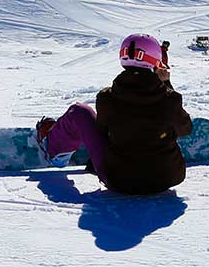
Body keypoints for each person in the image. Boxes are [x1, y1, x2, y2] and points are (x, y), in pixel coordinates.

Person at [35, 33, 193, 195]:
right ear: (156, 60)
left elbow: (103, 131)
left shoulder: (107, 98)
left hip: (119, 180)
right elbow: (185, 129)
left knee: (79, 111)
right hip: (166, 179)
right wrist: (165, 84)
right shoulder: (170, 99)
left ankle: (55, 150)